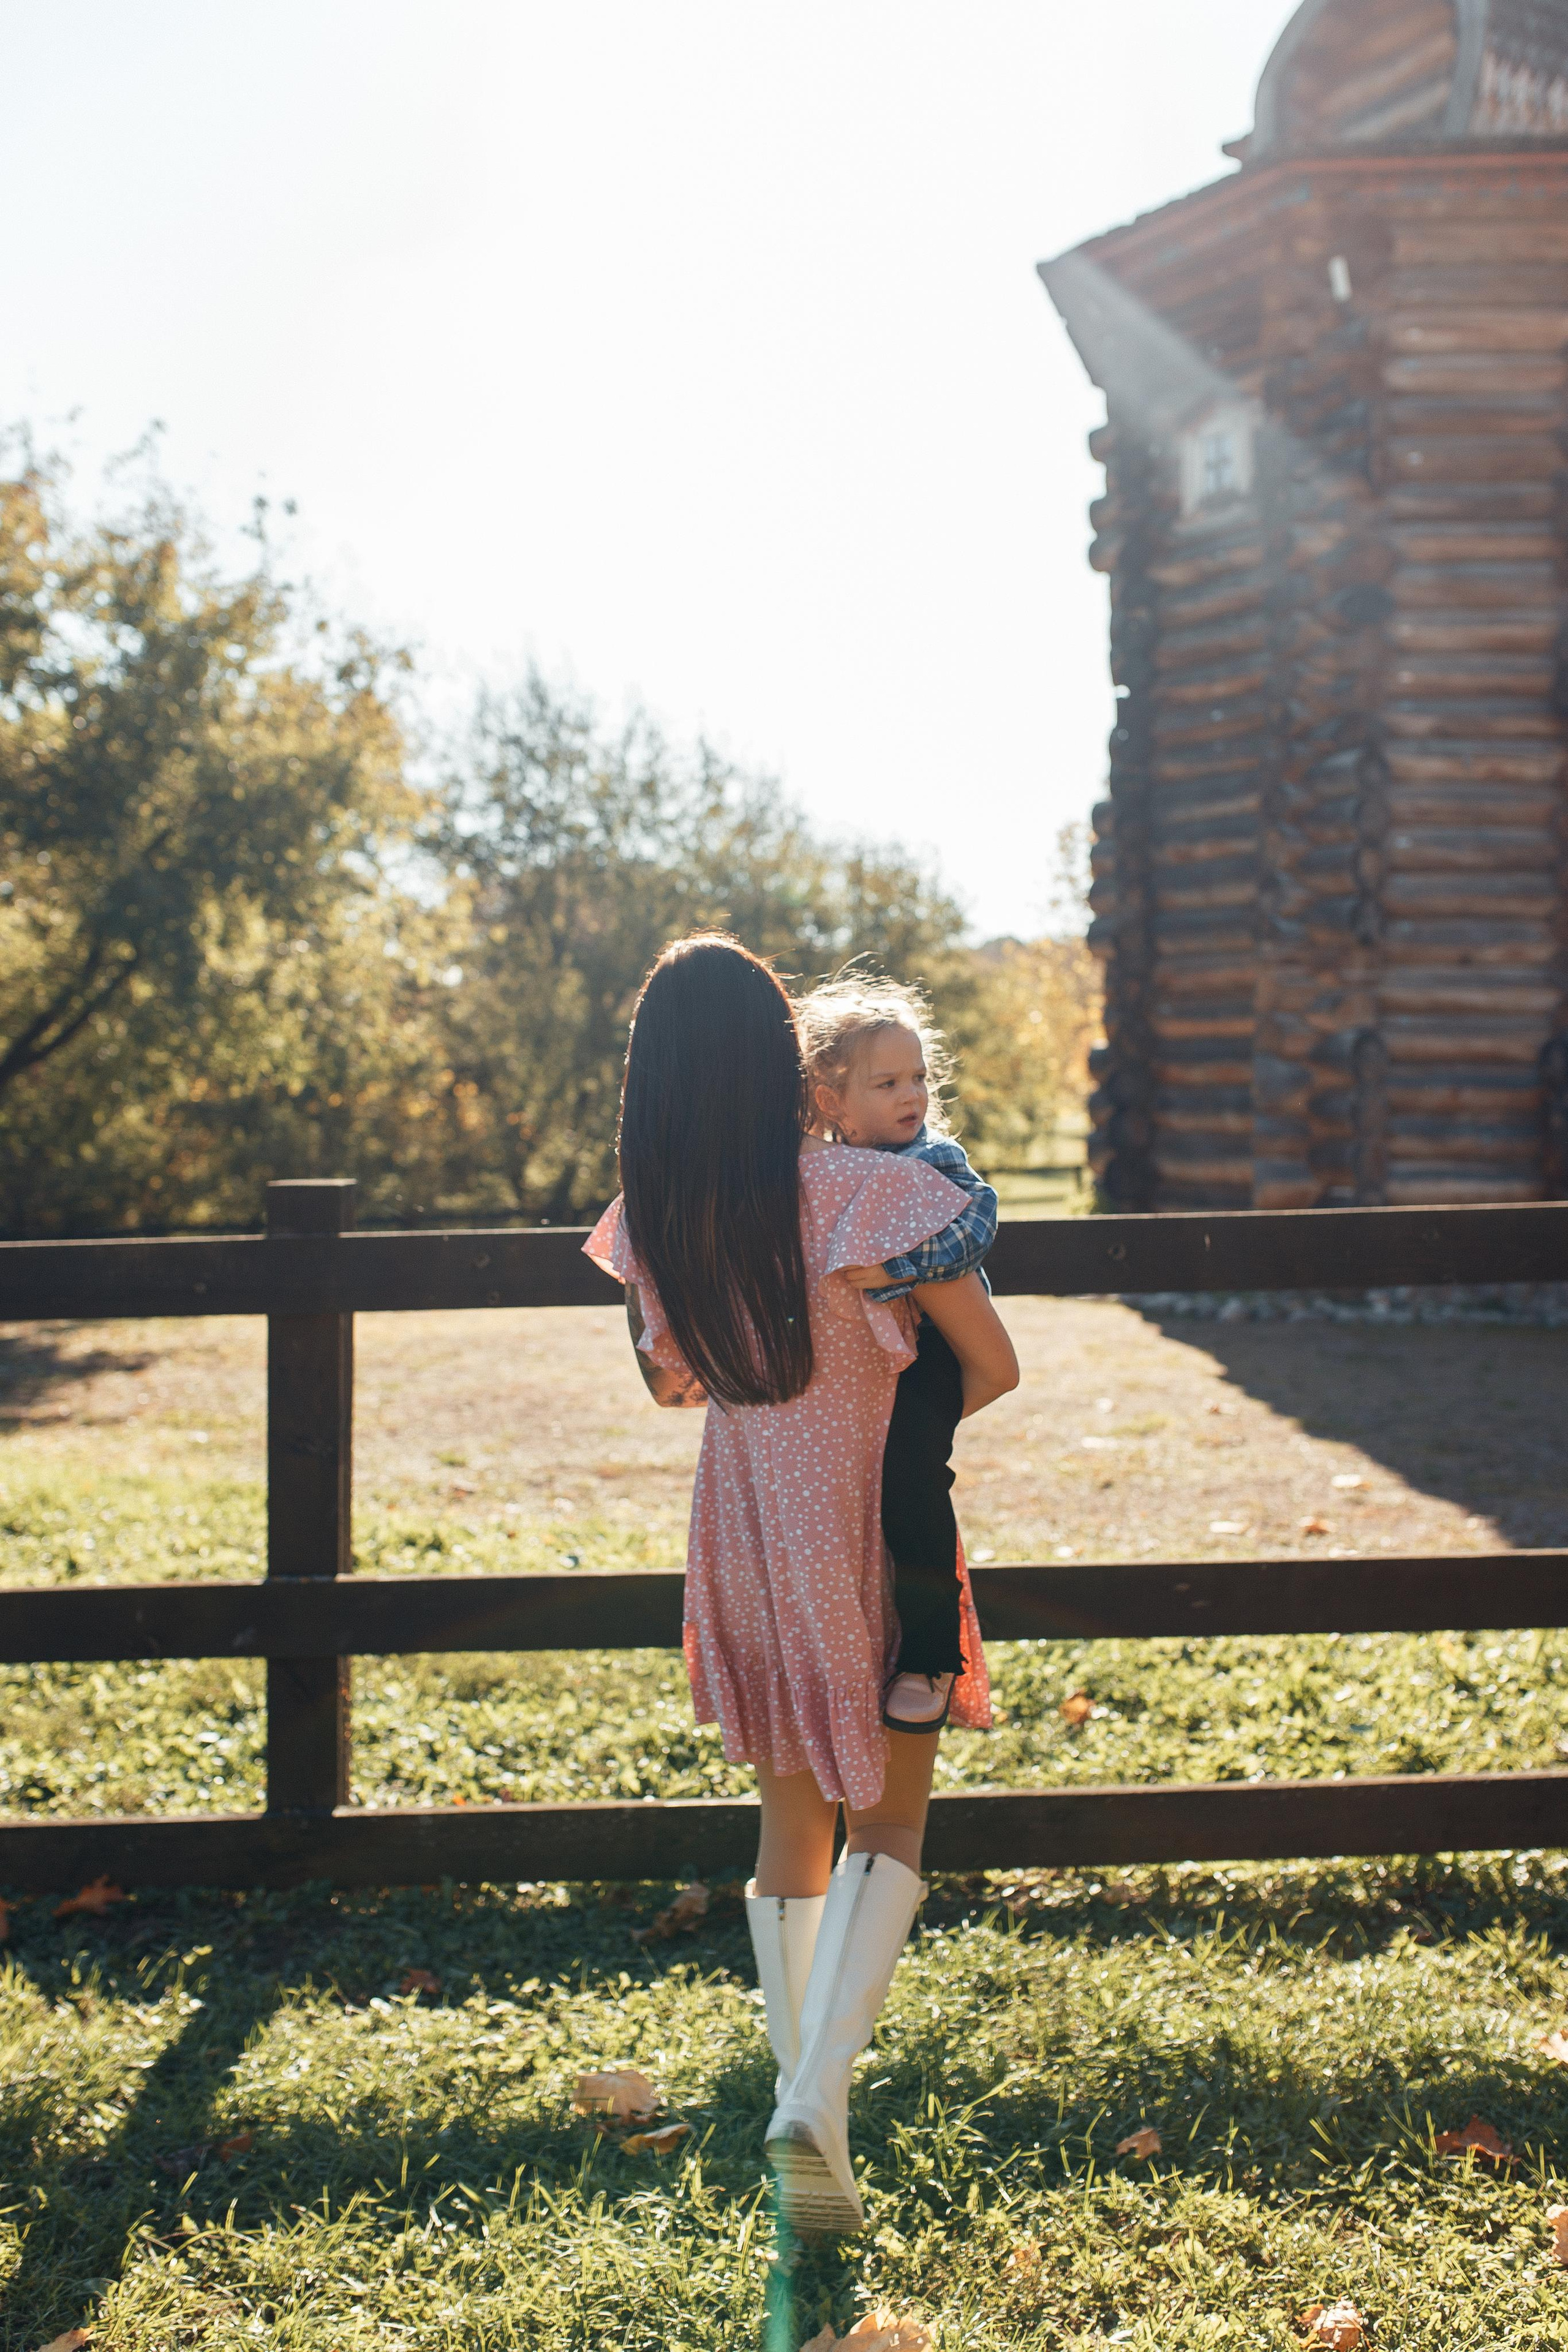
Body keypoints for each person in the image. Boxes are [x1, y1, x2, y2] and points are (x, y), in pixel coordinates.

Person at [584, 935, 1019, 2236]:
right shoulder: (858, 1192)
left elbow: (673, 1385)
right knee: (887, 1829)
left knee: (789, 1835)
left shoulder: (659, 1218)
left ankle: (799, 2102)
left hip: (744, 1528)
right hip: (862, 1524)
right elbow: (991, 1363)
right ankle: (811, 2102)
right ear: (785, 1062)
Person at [797, 975, 997, 1737]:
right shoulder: (822, 1170)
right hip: (867, 1364)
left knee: (912, 1482)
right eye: (887, 1083)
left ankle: (930, 1656)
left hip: (937, 1349)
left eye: (918, 1077)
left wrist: (902, 1268)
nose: (911, 1094)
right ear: (830, 1100)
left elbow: (979, 1222)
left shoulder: (930, 1159)